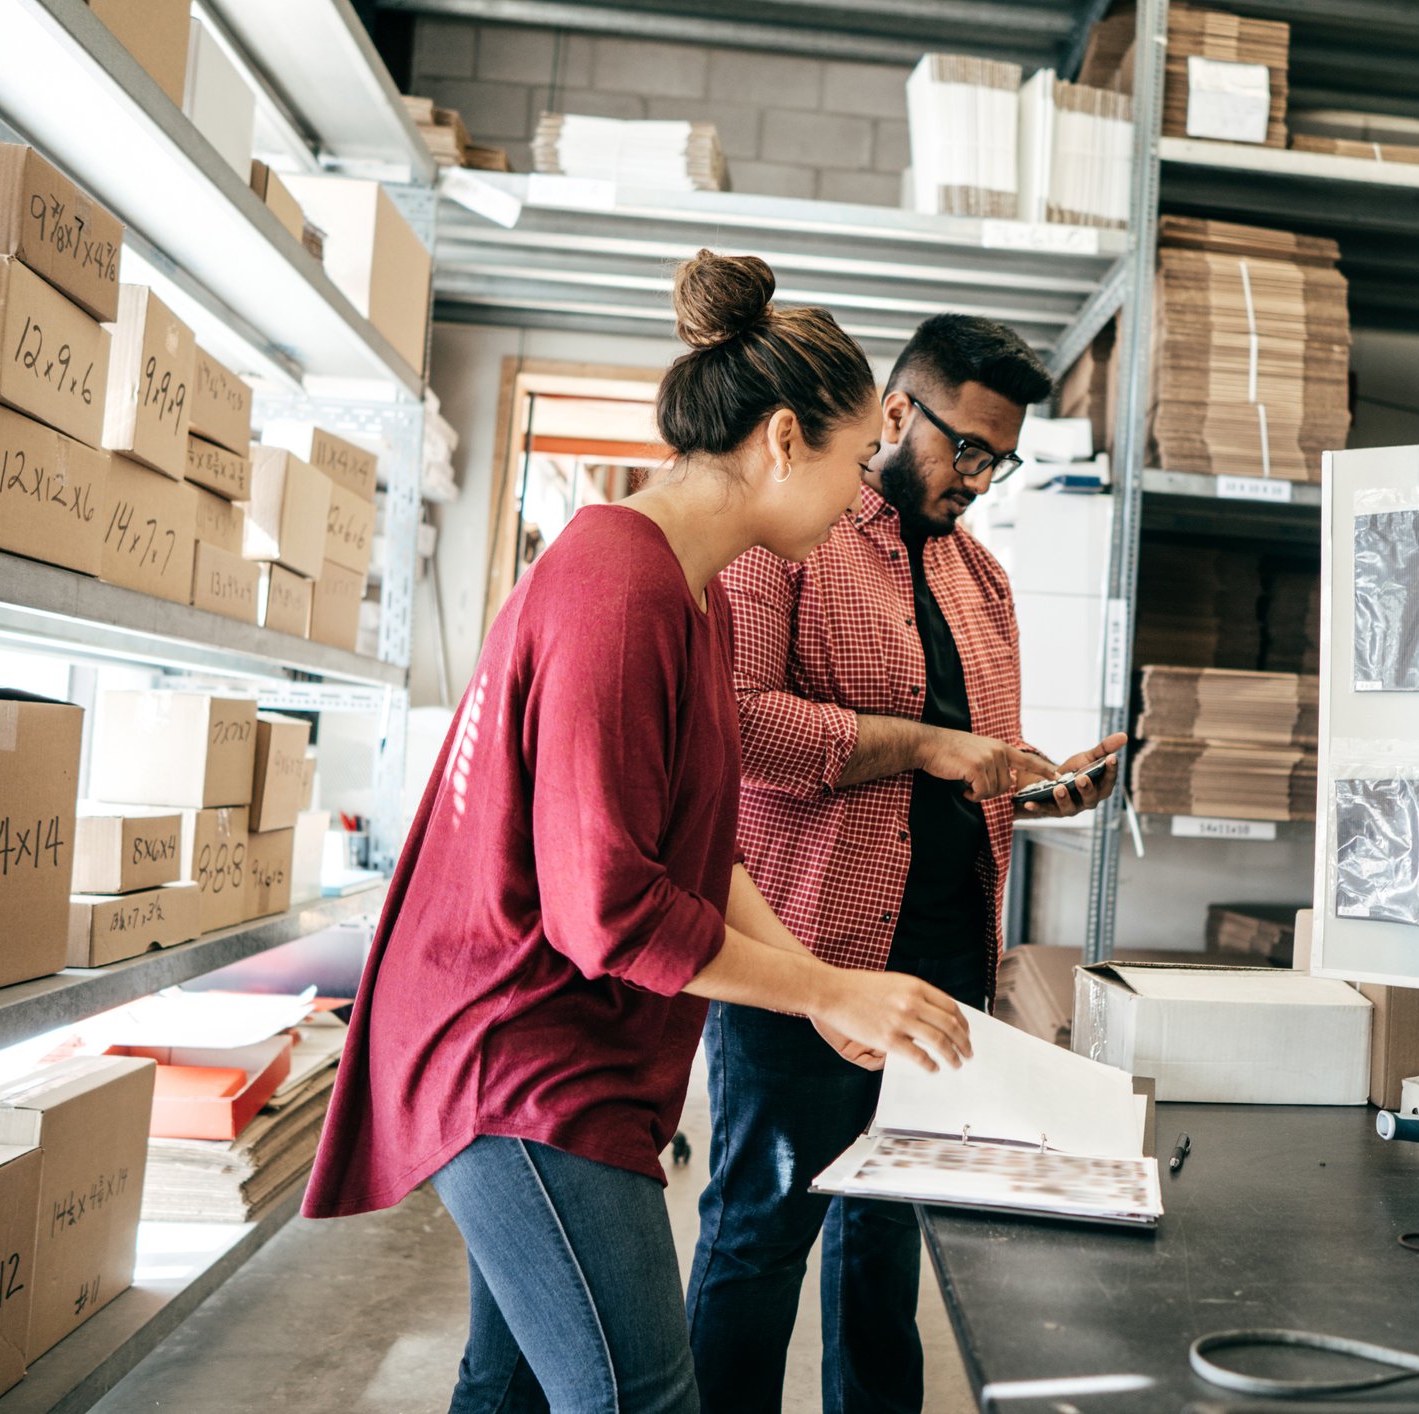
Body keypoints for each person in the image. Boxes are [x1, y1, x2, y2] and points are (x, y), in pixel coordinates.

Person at [302, 252, 974, 1414]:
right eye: (856, 457)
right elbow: (605, 906)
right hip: (514, 1054)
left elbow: (702, 847)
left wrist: (826, 980)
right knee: (638, 1395)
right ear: (779, 440)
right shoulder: (620, 591)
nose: (865, 489)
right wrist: (820, 996)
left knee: (507, 1381)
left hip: (552, 1037)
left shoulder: (689, 589)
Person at [687, 314, 1129, 1413]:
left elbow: (950, 788)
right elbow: (737, 726)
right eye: (965, 446)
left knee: (884, 1249)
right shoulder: (787, 541)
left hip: (940, 969)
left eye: (1000, 456)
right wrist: (926, 743)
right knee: (758, 1235)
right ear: (894, 413)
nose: (978, 477)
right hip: (807, 962)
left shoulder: (987, 584)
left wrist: (1036, 793)